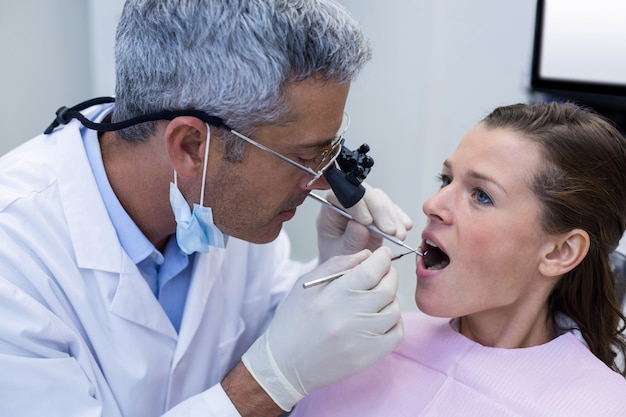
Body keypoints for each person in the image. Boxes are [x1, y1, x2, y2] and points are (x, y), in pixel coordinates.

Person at [0, 1, 413, 416]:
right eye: (304, 158)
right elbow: (274, 363)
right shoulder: (15, 264)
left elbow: (268, 323)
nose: (322, 181)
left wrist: (328, 280)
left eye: (330, 151)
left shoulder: (222, 208)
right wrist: (270, 381)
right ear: (192, 147)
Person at [291, 102, 626, 417]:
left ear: (559, 252)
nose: (432, 204)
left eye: (481, 195)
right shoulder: (360, 344)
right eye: (446, 180)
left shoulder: (601, 405)